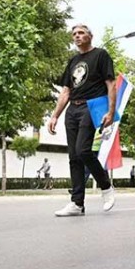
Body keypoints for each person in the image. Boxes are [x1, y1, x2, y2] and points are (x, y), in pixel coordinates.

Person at [48, 23, 116, 217]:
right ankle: (77, 203)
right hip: (73, 108)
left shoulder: (101, 55)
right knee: (74, 157)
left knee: (83, 150)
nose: (77, 36)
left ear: (90, 36)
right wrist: (55, 115)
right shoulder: (73, 61)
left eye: (81, 33)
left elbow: (111, 84)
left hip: (91, 105)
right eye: (74, 34)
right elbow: (66, 91)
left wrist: (110, 112)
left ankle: (105, 186)